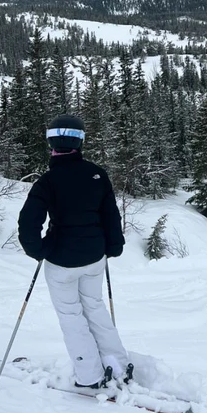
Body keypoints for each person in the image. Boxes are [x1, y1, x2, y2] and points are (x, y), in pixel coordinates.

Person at [18, 114, 132, 389]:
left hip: (61, 261)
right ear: (80, 141)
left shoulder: (47, 181)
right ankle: (117, 365)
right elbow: (110, 215)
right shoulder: (96, 174)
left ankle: (89, 375)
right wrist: (113, 246)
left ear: (51, 142)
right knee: (94, 307)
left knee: (71, 316)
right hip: (94, 258)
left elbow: (28, 223)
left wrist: (39, 250)